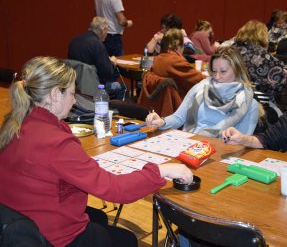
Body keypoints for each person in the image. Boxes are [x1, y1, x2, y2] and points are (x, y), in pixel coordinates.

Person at [0, 56, 193, 246]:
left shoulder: (15, 123)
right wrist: (162, 171)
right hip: (48, 236)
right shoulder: (56, 142)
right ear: (54, 95)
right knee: (126, 239)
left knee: (98, 217)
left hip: (18, 222)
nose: (74, 101)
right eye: (71, 94)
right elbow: (115, 190)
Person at [146, 46, 262, 138]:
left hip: (219, 153)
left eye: (223, 71)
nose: (217, 76)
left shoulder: (249, 105)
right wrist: (162, 122)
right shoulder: (201, 87)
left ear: (237, 70)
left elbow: (241, 144)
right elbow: (178, 118)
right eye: (214, 71)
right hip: (189, 143)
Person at [68, 16, 126, 100]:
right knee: (123, 87)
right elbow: (106, 73)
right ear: (103, 30)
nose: (107, 34)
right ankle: (115, 111)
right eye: (107, 31)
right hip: (94, 87)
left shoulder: (75, 40)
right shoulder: (97, 44)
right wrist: (112, 62)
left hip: (76, 86)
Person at [232, 20, 287, 100]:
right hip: (259, 104)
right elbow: (283, 87)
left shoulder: (229, 50)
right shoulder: (265, 58)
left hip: (227, 99)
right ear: (263, 35)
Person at [150, 28, 204, 98]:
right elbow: (199, 79)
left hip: (160, 102)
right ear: (179, 45)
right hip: (178, 102)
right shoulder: (176, 61)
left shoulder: (157, 59)